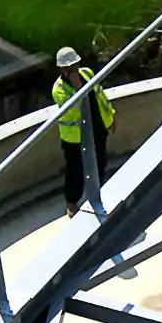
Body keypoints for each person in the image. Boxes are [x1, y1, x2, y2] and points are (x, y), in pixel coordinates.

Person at [51, 47, 116, 217]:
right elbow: (75, 109)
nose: (74, 69)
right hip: (75, 138)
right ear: (62, 70)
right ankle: (72, 203)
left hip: (97, 128)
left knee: (101, 162)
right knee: (76, 171)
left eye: (75, 65)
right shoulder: (59, 89)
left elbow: (100, 97)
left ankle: (98, 194)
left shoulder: (87, 73)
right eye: (69, 67)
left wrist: (111, 116)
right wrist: (77, 87)